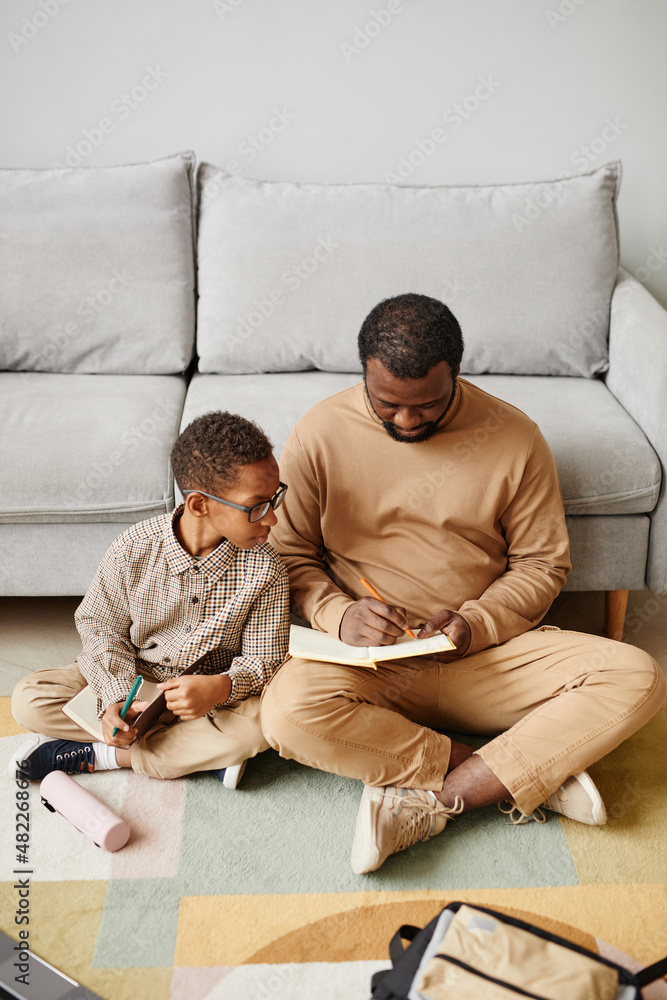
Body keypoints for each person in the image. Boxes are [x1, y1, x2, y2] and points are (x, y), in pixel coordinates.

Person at [261, 293, 666, 873]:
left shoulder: (515, 438)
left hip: (485, 655)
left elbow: (541, 565)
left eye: (425, 405)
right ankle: (513, 773)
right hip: (370, 662)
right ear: (364, 376)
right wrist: (337, 613)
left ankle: (437, 802)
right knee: (285, 714)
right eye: (387, 405)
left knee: (639, 676)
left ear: (456, 372)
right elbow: (288, 553)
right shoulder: (319, 433)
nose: (405, 420)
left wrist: (476, 622)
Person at [10, 411, 290, 789]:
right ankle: (193, 756)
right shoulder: (133, 548)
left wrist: (220, 687)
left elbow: (263, 661)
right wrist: (114, 697)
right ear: (198, 505)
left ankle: (108, 756)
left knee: (264, 725)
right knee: (29, 699)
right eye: (257, 506)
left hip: (210, 698)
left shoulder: (266, 570)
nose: (272, 519)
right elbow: (100, 627)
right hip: (137, 681)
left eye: (274, 499)